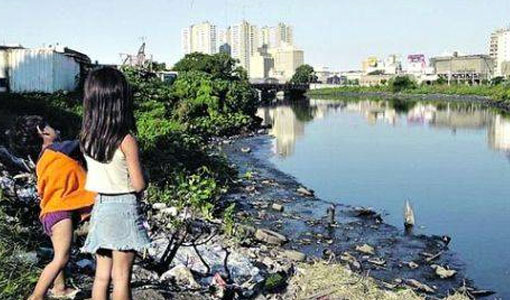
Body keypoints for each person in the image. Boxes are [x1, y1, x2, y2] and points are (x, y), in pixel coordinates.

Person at [80, 67, 151, 300]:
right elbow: (139, 184)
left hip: (99, 206)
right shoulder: (126, 140)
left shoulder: (86, 138)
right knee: (121, 278)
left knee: (101, 276)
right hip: (123, 208)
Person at [7, 115, 96, 300]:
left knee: (60, 253)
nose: (56, 130)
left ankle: (59, 288)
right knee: (62, 257)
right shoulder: (60, 149)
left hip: (50, 213)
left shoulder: (41, 160)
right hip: (60, 212)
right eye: (51, 126)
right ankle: (37, 296)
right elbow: (85, 144)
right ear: (43, 131)